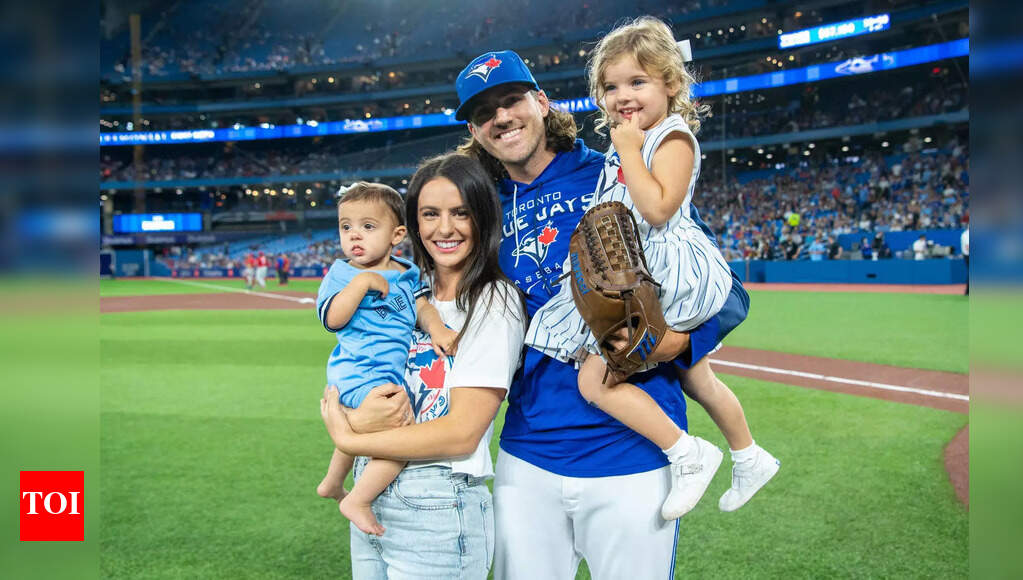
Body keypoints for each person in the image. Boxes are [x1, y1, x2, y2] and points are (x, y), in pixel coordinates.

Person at [454, 40, 777, 578]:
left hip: (634, 454)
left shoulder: (617, 173)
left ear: (542, 102)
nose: (501, 118)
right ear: (474, 131)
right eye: (484, 113)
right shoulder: (480, 211)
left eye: (512, 100)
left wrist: (675, 343)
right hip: (526, 454)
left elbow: (722, 290)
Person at [524, 16, 774, 522]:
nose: (623, 96)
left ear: (672, 83)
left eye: (638, 81)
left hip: (667, 271)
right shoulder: (631, 143)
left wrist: (630, 151)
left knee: (594, 381)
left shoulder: (671, 138)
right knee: (696, 376)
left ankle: (687, 453)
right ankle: (749, 455)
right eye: (611, 86)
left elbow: (658, 209)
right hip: (640, 268)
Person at [320, 154, 526, 579]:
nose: (444, 228)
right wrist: (357, 419)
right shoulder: (410, 288)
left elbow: (461, 434)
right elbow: (352, 376)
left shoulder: (493, 301)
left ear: (483, 218)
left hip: (437, 500)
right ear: (412, 225)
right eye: (430, 214)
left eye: (461, 213)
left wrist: (347, 434)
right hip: (373, 490)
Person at [314, 182, 457, 536]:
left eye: (367, 226)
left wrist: (437, 329)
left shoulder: (407, 274)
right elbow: (332, 319)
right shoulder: (343, 273)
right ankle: (359, 499)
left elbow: (423, 307)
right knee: (400, 436)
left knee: (366, 430)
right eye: (346, 227)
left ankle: (333, 483)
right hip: (358, 370)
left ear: (396, 235)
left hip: (383, 372)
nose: (354, 236)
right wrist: (360, 283)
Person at [960, 227, 969, 295]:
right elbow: (967, 247)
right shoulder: (965, 234)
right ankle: (967, 291)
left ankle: (967, 291)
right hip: (968, 256)